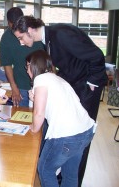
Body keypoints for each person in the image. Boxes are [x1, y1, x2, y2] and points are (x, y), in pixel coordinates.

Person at [12, 15, 108, 186]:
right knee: (75, 139)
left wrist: (91, 83)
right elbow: (68, 68)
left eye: (21, 37)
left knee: (74, 139)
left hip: (87, 86)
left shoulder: (60, 33)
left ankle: (64, 177)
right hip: (77, 85)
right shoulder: (49, 41)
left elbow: (96, 55)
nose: (21, 42)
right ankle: (64, 177)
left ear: (30, 30)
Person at [26, 50, 96, 187]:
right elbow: (54, 106)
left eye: (27, 66)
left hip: (67, 136)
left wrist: (32, 129)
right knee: (70, 174)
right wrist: (35, 99)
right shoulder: (57, 78)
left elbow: (39, 114)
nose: (27, 71)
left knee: (45, 169)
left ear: (32, 65)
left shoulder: (40, 79)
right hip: (85, 131)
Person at [0, 7, 44, 107]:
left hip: (41, 82)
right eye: (13, 25)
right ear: (8, 23)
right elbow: (7, 64)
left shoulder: (35, 32)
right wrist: (14, 87)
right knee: (22, 115)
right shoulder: (7, 37)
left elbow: (49, 59)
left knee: (42, 114)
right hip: (21, 85)